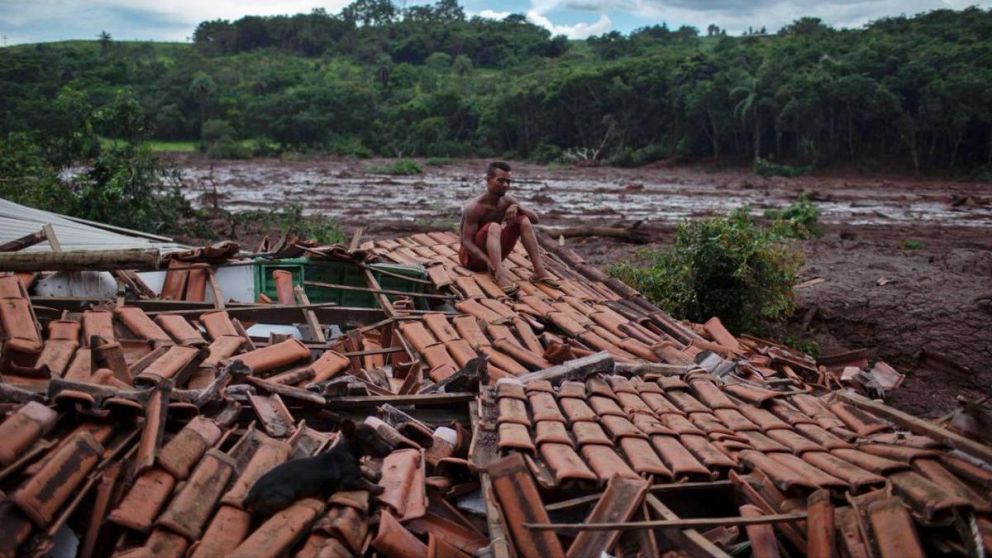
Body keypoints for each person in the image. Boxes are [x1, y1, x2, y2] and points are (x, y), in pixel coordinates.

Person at [459, 161, 559, 296]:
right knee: (494, 227)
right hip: (473, 260)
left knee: (523, 220)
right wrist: (488, 261)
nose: (505, 185)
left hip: (493, 256)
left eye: (508, 181)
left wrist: (518, 207)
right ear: (488, 180)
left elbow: (535, 219)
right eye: (500, 180)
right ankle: (499, 276)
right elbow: (466, 242)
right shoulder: (475, 208)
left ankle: (539, 271)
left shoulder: (507, 201)